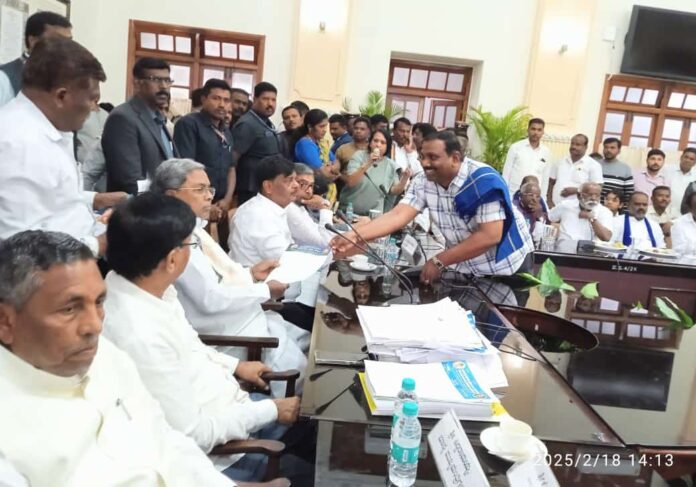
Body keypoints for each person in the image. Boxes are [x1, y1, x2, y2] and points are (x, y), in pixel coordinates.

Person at [0, 230, 256, 487]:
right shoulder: (9, 438)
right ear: (5, 322)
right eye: (69, 309)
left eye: (99, 302)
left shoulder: (106, 355)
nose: (94, 325)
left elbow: (168, 441)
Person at [102, 193, 301, 482]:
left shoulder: (142, 287)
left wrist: (236, 366)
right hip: (226, 455)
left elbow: (191, 345)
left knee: (316, 426)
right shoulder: (139, 333)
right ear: (172, 259)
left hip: (236, 406)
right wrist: (270, 410)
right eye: (191, 245)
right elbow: (194, 434)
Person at [150, 159, 308, 395]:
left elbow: (220, 276)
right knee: (303, 369)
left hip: (242, 315)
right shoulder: (176, 240)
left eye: (209, 189)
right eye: (200, 189)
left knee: (308, 341)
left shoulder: (192, 227)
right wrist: (265, 290)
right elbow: (211, 299)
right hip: (227, 333)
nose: (209, 196)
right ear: (172, 195)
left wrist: (251, 273)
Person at [331, 131, 534, 283]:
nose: (425, 163)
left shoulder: (482, 180)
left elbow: (490, 235)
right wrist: (354, 235)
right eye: (422, 156)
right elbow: (398, 215)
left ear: (455, 158)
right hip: (466, 267)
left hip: (507, 269)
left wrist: (439, 260)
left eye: (433, 157)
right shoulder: (423, 181)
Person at [0, 37, 125, 258]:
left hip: (79, 247)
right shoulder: (20, 143)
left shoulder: (50, 127)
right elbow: (21, 251)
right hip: (59, 269)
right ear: (61, 96)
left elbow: (50, 197)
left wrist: (96, 200)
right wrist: (103, 242)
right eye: (92, 99)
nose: (94, 109)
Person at [102, 57, 179, 194]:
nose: (163, 86)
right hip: (139, 204)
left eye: (167, 80)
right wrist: (166, 196)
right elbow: (129, 180)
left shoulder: (158, 118)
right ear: (137, 83)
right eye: (156, 80)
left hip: (165, 203)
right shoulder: (123, 118)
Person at [174, 78, 236, 214]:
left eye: (226, 100)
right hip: (195, 202)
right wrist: (205, 204)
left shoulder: (226, 131)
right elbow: (186, 169)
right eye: (216, 98)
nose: (222, 105)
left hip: (221, 203)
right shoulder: (188, 124)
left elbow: (231, 168)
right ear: (203, 99)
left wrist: (227, 199)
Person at [0, 11, 72, 107]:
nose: (66, 47)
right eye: (58, 41)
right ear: (33, 41)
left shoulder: (68, 78)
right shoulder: (4, 79)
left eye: (69, 41)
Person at [339, 128, 410, 215]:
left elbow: (393, 191)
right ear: (370, 142)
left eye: (383, 143)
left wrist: (404, 179)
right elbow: (351, 182)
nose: (378, 145)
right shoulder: (359, 156)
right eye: (375, 141)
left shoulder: (391, 165)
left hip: (374, 215)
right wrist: (369, 162)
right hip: (350, 211)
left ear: (387, 146)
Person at [232, 82, 281, 204]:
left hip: (265, 185)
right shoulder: (247, 124)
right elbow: (233, 159)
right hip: (250, 188)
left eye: (273, 100)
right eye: (265, 99)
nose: (270, 104)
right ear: (255, 99)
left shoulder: (265, 122)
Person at [293, 108, 340, 201]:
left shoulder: (321, 143)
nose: (325, 130)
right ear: (310, 127)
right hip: (310, 192)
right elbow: (322, 173)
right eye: (321, 126)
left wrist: (331, 168)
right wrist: (332, 170)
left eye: (326, 126)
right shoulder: (305, 144)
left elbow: (337, 163)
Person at [546, 134, 603, 208]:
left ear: (585, 147)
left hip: (579, 209)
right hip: (556, 206)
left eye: (578, 145)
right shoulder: (559, 162)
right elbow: (551, 183)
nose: (574, 147)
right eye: (572, 143)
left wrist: (577, 190)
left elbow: (598, 188)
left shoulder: (594, 165)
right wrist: (549, 201)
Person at [548, 182, 613, 245]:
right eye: (590, 195)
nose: (593, 198)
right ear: (579, 195)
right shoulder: (566, 206)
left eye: (597, 195)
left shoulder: (605, 212)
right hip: (563, 248)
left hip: (588, 250)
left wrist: (592, 218)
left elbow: (606, 237)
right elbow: (549, 218)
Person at [287, 163, 333, 248]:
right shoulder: (290, 208)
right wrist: (324, 208)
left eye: (311, 185)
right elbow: (326, 244)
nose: (309, 191)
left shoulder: (299, 206)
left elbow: (319, 231)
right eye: (303, 184)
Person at [501, 118, 551, 194]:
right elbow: (506, 173)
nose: (536, 132)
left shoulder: (546, 152)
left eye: (539, 130)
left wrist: (543, 197)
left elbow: (545, 178)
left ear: (543, 132)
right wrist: (505, 193)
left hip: (534, 196)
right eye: (533, 129)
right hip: (514, 193)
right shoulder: (515, 147)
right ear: (528, 130)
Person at [598, 137, 633, 206]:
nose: (608, 150)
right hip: (595, 208)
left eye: (612, 148)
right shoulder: (595, 165)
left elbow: (629, 193)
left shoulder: (625, 168)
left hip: (615, 210)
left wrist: (624, 209)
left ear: (619, 150)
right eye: (606, 147)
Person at [665, 148, 696, 215]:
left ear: (694, 163)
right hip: (664, 211)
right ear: (681, 157)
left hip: (684, 215)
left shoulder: (695, 177)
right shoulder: (667, 170)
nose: (687, 160)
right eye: (686, 157)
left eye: (691, 159)